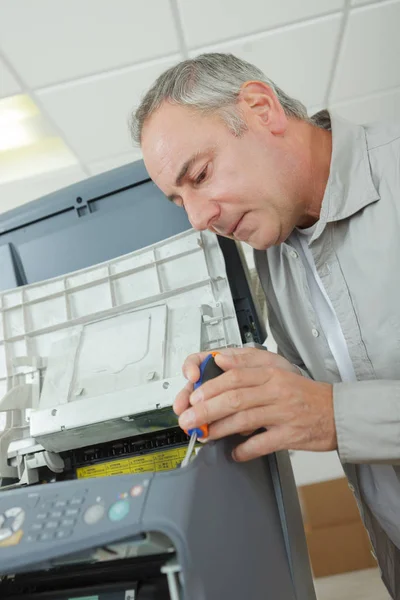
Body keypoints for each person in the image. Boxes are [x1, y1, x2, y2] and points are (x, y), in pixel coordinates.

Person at [130, 53, 400, 598]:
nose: (197, 218)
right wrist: (260, 383)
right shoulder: (273, 243)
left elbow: (333, 407)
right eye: (180, 199)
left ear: (261, 109)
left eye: (200, 175)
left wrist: (332, 415)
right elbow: (341, 369)